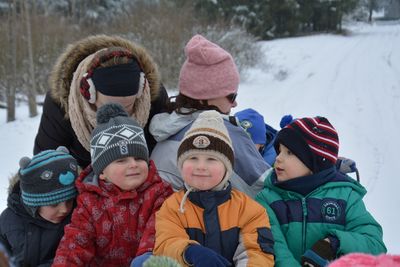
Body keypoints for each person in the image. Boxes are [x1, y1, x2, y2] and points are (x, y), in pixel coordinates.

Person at [52, 103, 173, 266]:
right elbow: (75, 243)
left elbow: (156, 238)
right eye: (121, 160)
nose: (133, 165)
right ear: (102, 172)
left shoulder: (160, 193)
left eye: (138, 158)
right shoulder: (89, 202)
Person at [255, 116, 387, 267]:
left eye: (289, 152)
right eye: (279, 151)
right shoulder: (267, 199)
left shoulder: (345, 197)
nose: (278, 158)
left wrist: (334, 243)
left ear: (315, 162)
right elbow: (276, 251)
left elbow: (375, 245)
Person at [149, 34, 270, 198]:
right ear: (204, 96)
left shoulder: (163, 131)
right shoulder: (222, 132)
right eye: (231, 96)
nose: (235, 104)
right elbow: (264, 192)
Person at [154, 110, 275, 266]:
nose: (201, 167)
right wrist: (189, 252)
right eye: (193, 158)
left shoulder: (249, 210)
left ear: (227, 168)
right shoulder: (172, 208)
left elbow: (257, 253)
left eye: (211, 159)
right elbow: (165, 243)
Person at [34, 34, 168, 168]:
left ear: (141, 88)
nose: (119, 116)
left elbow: (167, 154)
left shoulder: (153, 98)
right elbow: (45, 166)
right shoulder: (60, 104)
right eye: (110, 107)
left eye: (127, 106)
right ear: (88, 92)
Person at [0, 147, 79, 266]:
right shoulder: (9, 220)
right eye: (53, 204)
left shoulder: (78, 217)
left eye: (69, 200)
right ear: (33, 204)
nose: (65, 209)